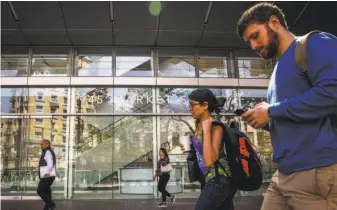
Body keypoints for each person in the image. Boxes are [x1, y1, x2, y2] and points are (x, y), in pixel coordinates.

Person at [237, 2, 337, 210]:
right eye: (249, 42)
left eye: (255, 36)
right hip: (283, 173)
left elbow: (332, 91)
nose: (253, 46)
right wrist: (263, 119)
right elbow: (293, 116)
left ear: (274, 22)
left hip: (316, 171)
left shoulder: (313, 43)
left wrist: (272, 111)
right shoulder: (276, 72)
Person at [181, 88, 237, 210]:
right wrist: (190, 145)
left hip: (220, 179)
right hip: (209, 179)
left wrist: (207, 130)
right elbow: (202, 149)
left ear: (205, 105)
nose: (189, 108)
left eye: (192, 105)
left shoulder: (216, 127)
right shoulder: (199, 125)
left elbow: (209, 160)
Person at [37, 139, 56, 210]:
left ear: (47, 144)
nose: (41, 146)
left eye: (42, 144)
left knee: (40, 190)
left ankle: (51, 205)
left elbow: (51, 163)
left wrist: (48, 173)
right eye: (40, 144)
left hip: (47, 175)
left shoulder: (47, 151)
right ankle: (47, 207)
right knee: (47, 191)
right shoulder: (47, 151)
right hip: (47, 175)